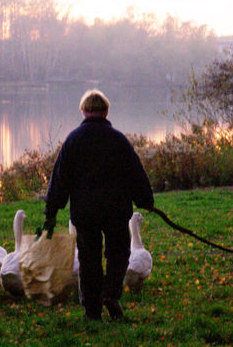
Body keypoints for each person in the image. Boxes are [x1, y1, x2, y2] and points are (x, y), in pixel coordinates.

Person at [40, 89, 154, 321]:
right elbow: (136, 173)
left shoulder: (73, 140)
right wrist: (145, 200)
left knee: (88, 258)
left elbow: (60, 178)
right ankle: (110, 294)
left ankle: (92, 310)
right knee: (118, 254)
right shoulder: (118, 140)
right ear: (106, 112)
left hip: (85, 212)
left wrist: (52, 210)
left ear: (83, 111)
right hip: (116, 210)